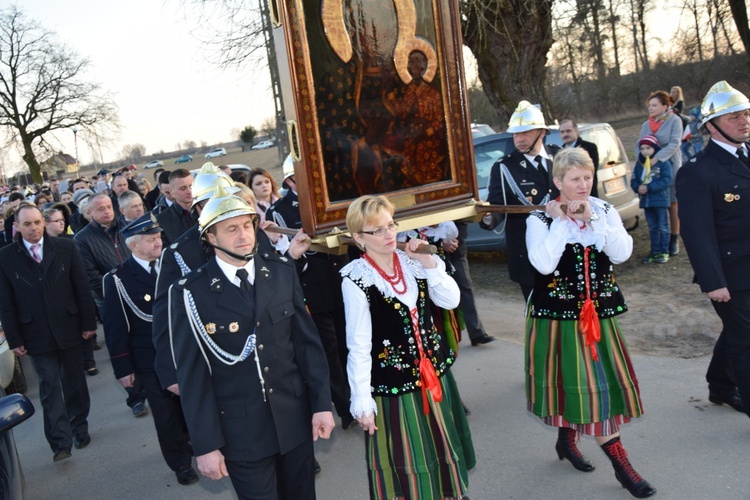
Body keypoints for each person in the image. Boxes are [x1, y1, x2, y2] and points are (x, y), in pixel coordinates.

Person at [169, 186, 334, 498]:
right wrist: (206, 445)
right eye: (231, 228)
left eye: (247, 225)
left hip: (294, 419)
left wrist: (322, 405)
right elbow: (193, 377)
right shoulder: (191, 293)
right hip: (240, 432)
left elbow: (308, 347)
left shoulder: (282, 271)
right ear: (210, 238)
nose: (243, 234)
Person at [525, 148, 655, 498]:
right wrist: (562, 223)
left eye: (587, 177)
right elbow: (542, 265)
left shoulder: (605, 210)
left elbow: (622, 253)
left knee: (593, 385)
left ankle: (567, 442)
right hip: (559, 319)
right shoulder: (539, 219)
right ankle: (622, 466)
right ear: (558, 182)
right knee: (586, 387)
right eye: (575, 179)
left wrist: (593, 220)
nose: (583, 185)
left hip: (598, 317)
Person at [341, 195, 475, 500]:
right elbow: (359, 344)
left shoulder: (414, 262)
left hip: (434, 379)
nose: (389, 234)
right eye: (377, 230)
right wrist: (361, 397)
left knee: (443, 449)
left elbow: (451, 301)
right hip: (395, 389)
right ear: (358, 238)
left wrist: (429, 263)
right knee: (411, 462)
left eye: (391, 225)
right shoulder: (355, 279)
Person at [102, 214, 198, 486]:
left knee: (191, 404)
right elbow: (115, 327)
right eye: (151, 239)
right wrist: (123, 368)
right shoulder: (118, 279)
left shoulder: (175, 266)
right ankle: (180, 463)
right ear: (133, 246)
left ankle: (198, 444)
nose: (159, 243)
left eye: (158, 237)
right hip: (149, 358)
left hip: (184, 351)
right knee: (164, 412)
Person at [0, 204, 97, 462]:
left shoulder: (65, 248)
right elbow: (5, 302)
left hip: (70, 328)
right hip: (35, 335)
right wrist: (15, 339)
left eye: (37, 223)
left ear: (44, 223)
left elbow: (81, 288)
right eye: (27, 224)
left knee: (74, 382)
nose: (33, 228)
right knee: (50, 387)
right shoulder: (6, 257)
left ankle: (80, 427)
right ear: (17, 227)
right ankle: (60, 443)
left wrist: (88, 323)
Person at [676, 80, 750, 417]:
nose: (744, 121)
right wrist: (713, 281)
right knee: (745, 340)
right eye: (734, 116)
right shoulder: (697, 172)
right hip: (731, 274)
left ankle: (719, 384)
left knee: (739, 331)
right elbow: (697, 233)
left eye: (746, 114)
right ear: (711, 126)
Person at [267, 159, 354, 431]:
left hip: (344, 282)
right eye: (299, 179)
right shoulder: (279, 213)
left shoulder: (334, 199)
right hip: (313, 290)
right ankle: (345, 406)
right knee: (328, 350)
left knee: (349, 342)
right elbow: (285, 258)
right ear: (290, 182)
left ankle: (361, 395)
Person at [480, 100, 560, 300]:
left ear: (541, 132)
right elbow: (497, 206)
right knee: (539, 316)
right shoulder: (503, 167)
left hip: (562, 246)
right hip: (528, 253)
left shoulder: (560, 156)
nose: (519, 139)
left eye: (525, 132)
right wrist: (488, 217)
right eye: (516, 133)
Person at [637, 90, 683, 257]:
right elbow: (639, 144)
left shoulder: (674, 121)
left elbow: (675, 143)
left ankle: (674, 238)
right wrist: (642, 160)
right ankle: (659, 241)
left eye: (654, 105)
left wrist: (658, 158)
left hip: (669, 164)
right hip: (651, 169)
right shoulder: (645, 125)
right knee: (657, 202)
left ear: (665, 106)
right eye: (649, 106)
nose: (651, 108)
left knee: (672, 202)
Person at [631, 135, 673, 263]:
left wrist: (650, 187)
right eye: (642, 148)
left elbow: (667, 180)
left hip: (660, 200)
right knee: (652, 228)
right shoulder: (639, 165)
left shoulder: (663, 163)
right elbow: (634, 180)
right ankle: (654, 252)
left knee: (663, 227)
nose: (645, 151)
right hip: (646, 201)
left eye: (648, 148)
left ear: (654, 148)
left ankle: (664, 251)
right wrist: (638, 187)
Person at [559, 119, 600, 197]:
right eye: (562, 132)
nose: (565, 134)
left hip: (587, 195)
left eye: (568, 131)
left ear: (576, 131)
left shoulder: (590, 148)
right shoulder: (558, 152)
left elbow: (591, 172)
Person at [155, 169, 195, 246]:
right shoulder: (162, 220)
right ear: (172, 191)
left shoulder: (206, 210)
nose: (189, 191)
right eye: (183, 188)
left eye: (191, 186)